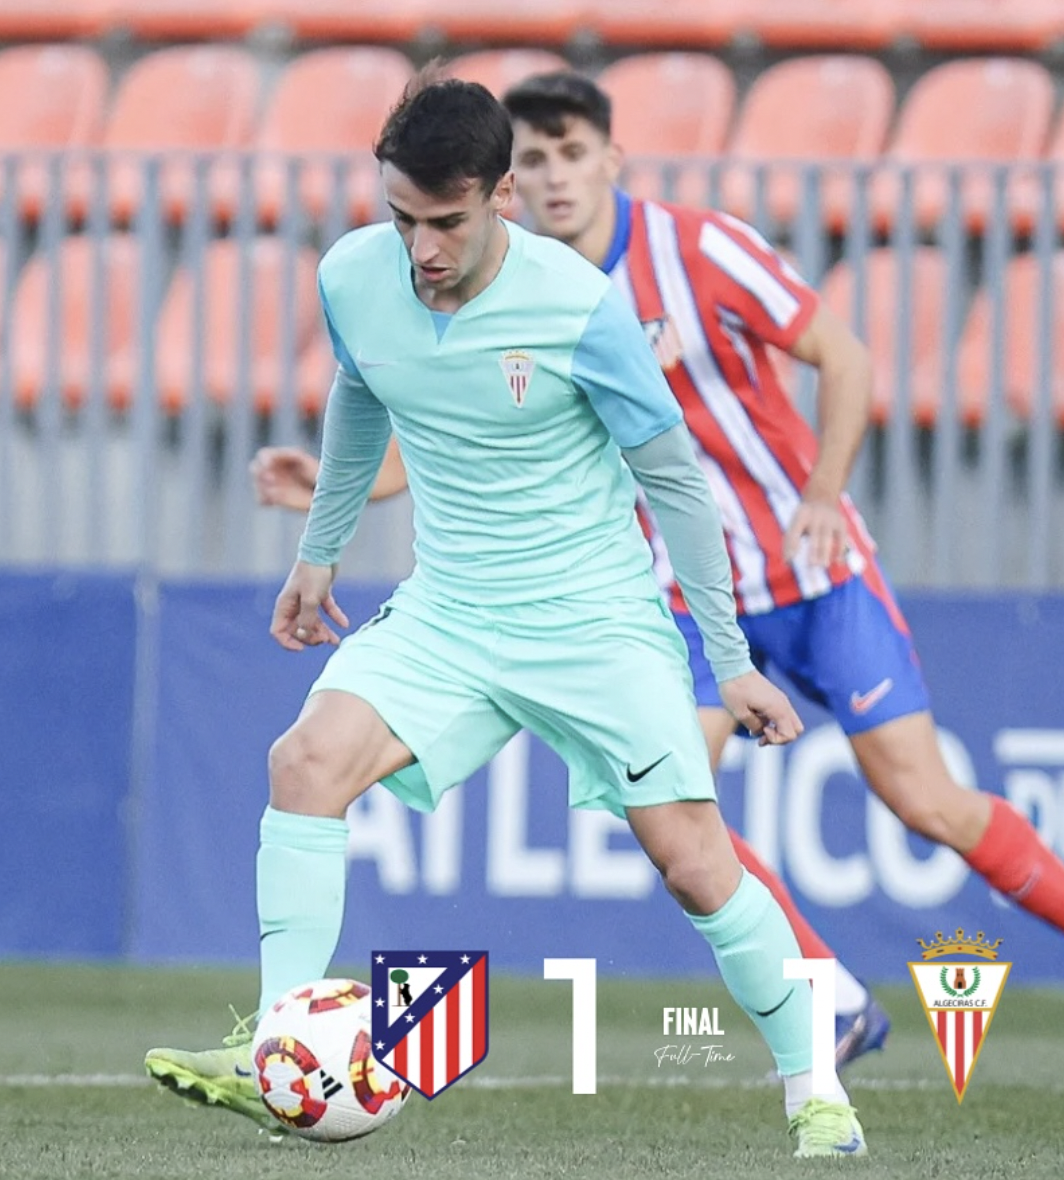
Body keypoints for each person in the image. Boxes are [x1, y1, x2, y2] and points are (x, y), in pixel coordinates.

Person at [255, 70, 1064, 1078]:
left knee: (925, 802)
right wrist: (346, 498)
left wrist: (823, 492)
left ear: (609, 160)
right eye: (535, 155)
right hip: (679, 594)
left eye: (573, 154)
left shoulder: (696, 251)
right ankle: (826, 997)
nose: (555, 176)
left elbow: (843, 354)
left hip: (808, 567)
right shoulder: (486, 282)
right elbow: (464, 434)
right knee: (678, 811)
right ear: (501, 181)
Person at [145, 73, 869, 1160]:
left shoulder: (579, 305)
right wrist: (319, 553)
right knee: (304, 762)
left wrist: (727, 663)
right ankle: (284, 1048)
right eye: (402, 219)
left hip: (594, 618)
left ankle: (815, 1087)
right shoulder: (354, 275)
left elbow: (673, 482)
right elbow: (357, 396)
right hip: (450, 611)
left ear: (502, 196)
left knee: (692, 859)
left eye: (446, 222)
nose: (422, 248)